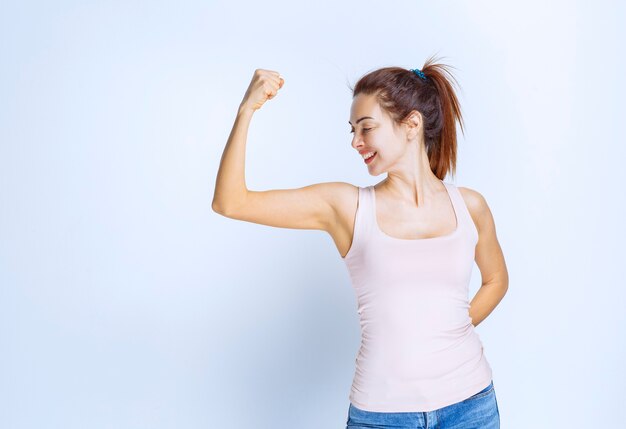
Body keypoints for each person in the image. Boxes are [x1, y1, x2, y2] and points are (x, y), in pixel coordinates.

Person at [212, 55, 509, 429]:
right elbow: (230, 201)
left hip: (471, 404)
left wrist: (452, 326)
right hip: (382, 414)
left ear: (412, 125)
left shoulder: (470, 205)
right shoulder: (346, 206)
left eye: (366, 128)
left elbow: (496, 280)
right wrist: (246, 110)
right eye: (352, 129)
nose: (355, 141)